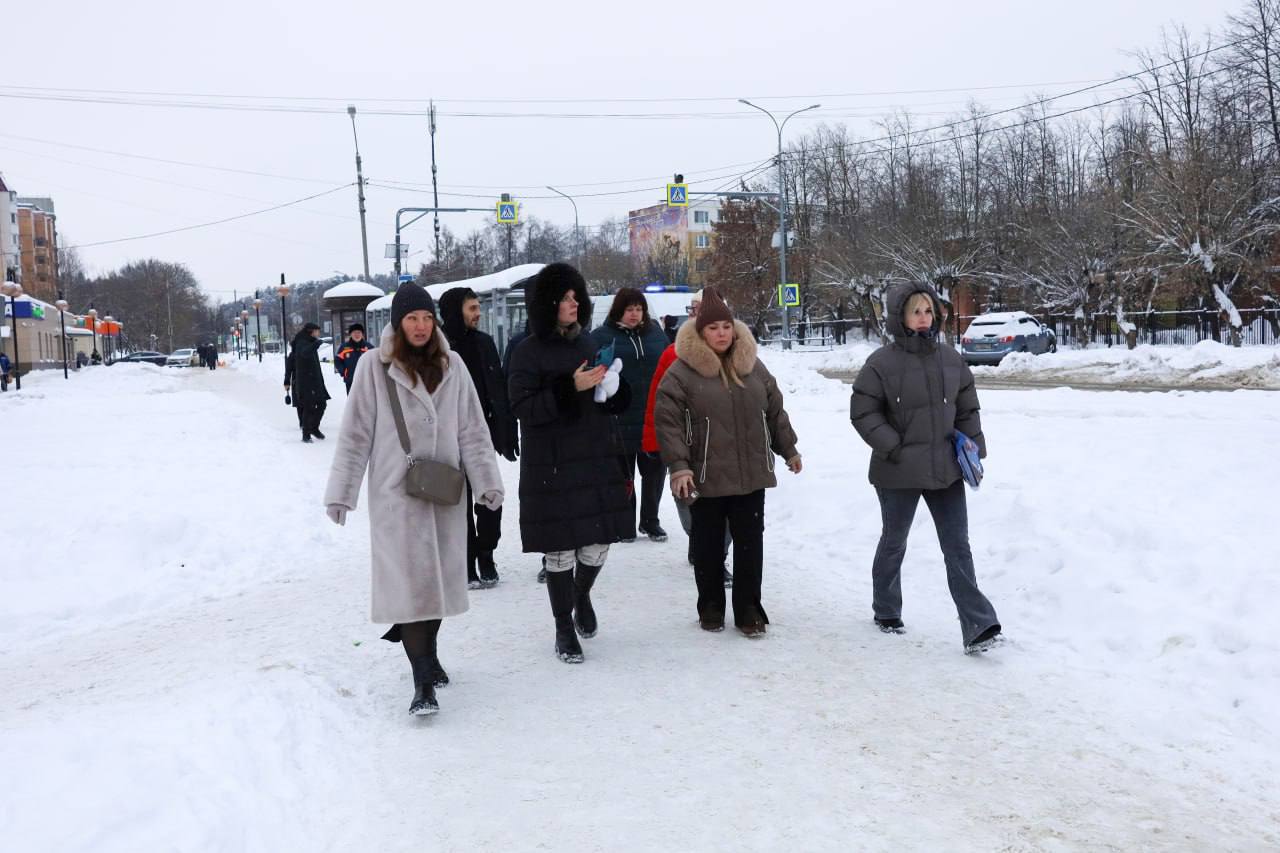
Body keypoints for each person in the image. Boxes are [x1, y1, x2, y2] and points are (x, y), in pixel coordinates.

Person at [324, 282, 503, 716]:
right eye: (411, 319)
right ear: (398, 323)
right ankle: (423, 681)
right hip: (394, 495)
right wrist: (342, 493)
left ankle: (429, 655)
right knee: (410, 586)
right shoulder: (373, 366)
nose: (421, 326)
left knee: (435, 583)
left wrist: (486, 482)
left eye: (426, 318)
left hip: (443, 492)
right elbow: (355, 435)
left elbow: (473, 430)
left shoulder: (453, 364)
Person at [849, 282, 1002, 654]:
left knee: (957, 547)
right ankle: (886, 609)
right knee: (894, 540)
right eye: (915, 311)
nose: (923, 318)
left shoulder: (950, 359)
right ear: (900, 316)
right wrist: (892, 445)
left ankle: (978, 624)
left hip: (945, 470)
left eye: (928, 311)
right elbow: (863, 411)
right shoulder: (881, 363)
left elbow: (967, 409)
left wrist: (973, 444)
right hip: (898, 469)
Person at [654, 287, 801, 637]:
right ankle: (711, 607)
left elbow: (774, 411)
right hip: (705, 475)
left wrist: (789, 449)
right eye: (713, 328)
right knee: (707, 546)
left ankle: (749, 609)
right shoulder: (681, 372)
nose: (721, 333)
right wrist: (679, 465)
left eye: (726, 326)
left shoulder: (752, 365)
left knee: (751, 543)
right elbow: (668, 421)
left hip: (751, 473)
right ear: (701, 332)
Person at [507, 262, 633, 664]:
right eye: (564, 298)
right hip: (552, 465)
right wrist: (569, 388)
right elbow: (522, 406)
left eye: (575, 296)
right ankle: (564, 627)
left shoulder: (587, 342)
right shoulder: (526, 350)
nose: (573, 303)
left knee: (597, 545)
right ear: (547, 304)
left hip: (595, 456)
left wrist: (614, 389)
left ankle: (581, 596)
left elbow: (608, 401)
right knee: (559, 552)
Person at [642, 290, 733, 583]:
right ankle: (701, 543)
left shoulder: (735, 353)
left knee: (729, 512)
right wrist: (653, 443)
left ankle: (715, 556)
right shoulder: (673, 353)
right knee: (689, 502)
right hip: (684, 445)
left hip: (724, 447)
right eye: (691, 309)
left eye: (699, 309)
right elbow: (658, 403)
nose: (694, 314)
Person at [439, 286, 519, 590]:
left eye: (478, 307)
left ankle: (486, 552)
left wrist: (507, 431)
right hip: (448, 438)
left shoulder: (485, 343)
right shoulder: (439, 347)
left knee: (491, 500)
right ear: (455, 311)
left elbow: (497, 389)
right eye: (472, 308)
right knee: (457, 504)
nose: (478, 313)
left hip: (481, 436)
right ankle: (468, 562)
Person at [590, 288, 672, 542]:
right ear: (618, 311)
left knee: (654, 473)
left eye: (639, 309)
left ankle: (650, 520)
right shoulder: (601, 336)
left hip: (652, 416)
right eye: (629, 309)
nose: (634, 314)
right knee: (622, 475)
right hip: (619, 418)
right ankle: (624, 523)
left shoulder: (656, 334)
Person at [283, 322, 331, 443]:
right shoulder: (302, 343)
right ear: (311, 331)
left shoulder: (309, 341)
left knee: (322, 404)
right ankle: (306, 434)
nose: (319, 333)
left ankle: (314, 428)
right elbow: (304, 353)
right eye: (317, 331)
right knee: (308, 408)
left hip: (315, 380)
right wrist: (316, 344)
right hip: (306, 381)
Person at [335, 324, 373, 394]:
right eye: (354, 332)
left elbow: (374, 361)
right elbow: (338, 360)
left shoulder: (369, 347)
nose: (357, 334)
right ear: (350, 334)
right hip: (350, 379)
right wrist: (343, 371)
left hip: (366, 380)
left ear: (362, 334)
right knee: (352, 402)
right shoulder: (344, 347)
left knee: (366, 402)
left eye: (359, 332)